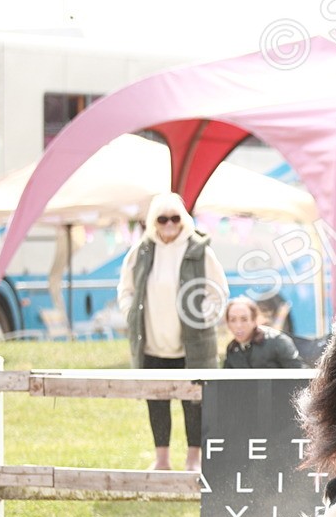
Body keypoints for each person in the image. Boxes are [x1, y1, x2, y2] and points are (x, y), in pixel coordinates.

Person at [117, 192, 228, 472]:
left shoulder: (200, 251)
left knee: (194, 401)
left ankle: (193, 459)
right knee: (156, 401)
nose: (169, 225)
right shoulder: (141, 252)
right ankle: (162, 459)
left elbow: (218, 292)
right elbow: (126, 289)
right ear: (153, 222)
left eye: (175, 218)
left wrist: (203, 316)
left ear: (184, 220)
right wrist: (130, 313)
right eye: (162, 219)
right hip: (151, 344)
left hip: (192, 345)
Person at [222, 296, 304, 369]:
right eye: (233, 320)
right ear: (228, 323)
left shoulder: (277, 342)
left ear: (254, 320)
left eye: (244, 319)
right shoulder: (232, 349)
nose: (238, 325)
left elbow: (301, 374)